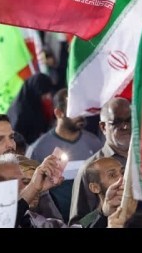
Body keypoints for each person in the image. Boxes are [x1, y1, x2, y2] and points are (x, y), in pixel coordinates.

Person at [26, 89, 104, 221]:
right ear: (58, 113)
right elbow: (30, 189)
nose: (81, 115)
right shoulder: (38, 149)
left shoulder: (94, 143)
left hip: (90, 219)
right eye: (75, 110)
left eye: (82, 110)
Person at [68, 97, 131, 225]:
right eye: (117, 122)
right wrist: (103, 211)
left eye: (130, 120)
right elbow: (77, 225)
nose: (125, 126)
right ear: (103, 127)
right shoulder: (90, 168)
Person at [0, 153, 66, 228]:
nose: (25, 187)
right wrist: (33, 188)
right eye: (13, 182)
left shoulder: (38, 222)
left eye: (26, 182)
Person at [76, 157, 124, 228]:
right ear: (95, 188)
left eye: (123, 172)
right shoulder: (85, 224)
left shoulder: (139, 209)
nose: (122, 178)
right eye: (112, 175)